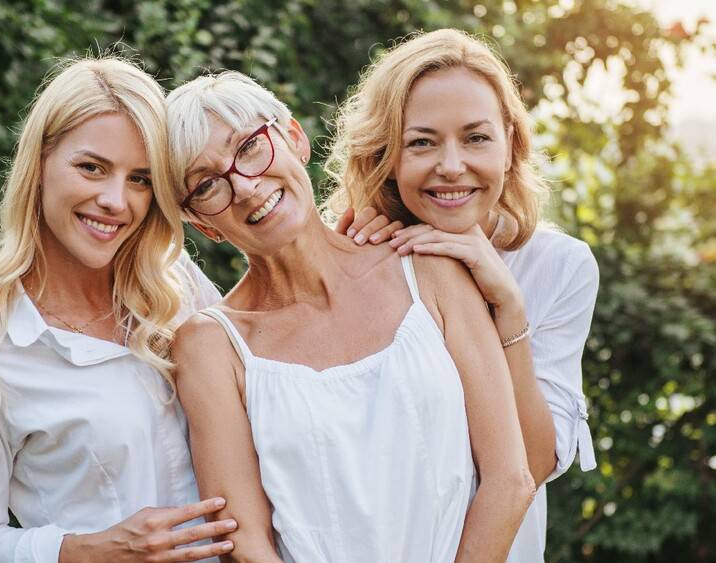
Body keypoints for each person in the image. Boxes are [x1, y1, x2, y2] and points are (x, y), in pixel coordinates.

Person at [164, 70, 536, 562]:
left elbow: (510, 480)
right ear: (201, 223)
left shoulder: (430, 272)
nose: (248, 187)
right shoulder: (210, 346)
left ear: (294, 138)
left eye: (250, 148)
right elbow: (245, 545)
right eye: (208, 184)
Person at [0, 56, 237, 563]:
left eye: (140, 178)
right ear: (40, 164)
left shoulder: (178, 284)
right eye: (91, 168)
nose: (116, 200)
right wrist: (92, 549)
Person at [324, 28, 599, 561]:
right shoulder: (355, 253)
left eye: (476, 138)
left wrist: (509, 308)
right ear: (386, 153)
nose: (451, 166)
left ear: (511, 143)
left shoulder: (558, 267)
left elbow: (536, 464)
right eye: (422, 142)